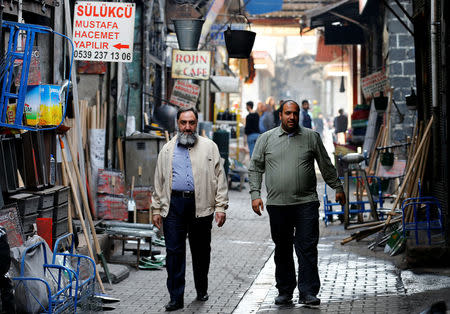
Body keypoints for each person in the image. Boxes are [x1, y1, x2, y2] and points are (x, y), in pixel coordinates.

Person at [248, 100, 345, 307]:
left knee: (307, 248)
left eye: (295, 113)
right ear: (280, 115)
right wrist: (255, 194)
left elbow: (326, 165)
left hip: (306, 203)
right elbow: (255, 168)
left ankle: (308, 292)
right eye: (287, 113)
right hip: (277, 205)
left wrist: (337, 187)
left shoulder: (311, 137)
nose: (291, 117)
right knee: (282, 249)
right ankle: (285, 291)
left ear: (299, 115)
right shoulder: (266, 139)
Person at [151, 107, 228, 311]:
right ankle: (176, 297)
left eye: (191, 123)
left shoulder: (210, 147)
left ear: (197, 124)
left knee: (201, 251)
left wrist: (221, 206)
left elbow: (220, 178)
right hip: (174, 206)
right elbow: (158, 181)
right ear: (178, 123)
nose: (187, 127)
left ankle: (201, 288)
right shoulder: (167, 150)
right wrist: (156, 209)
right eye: (183, 123)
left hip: (201, 206)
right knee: (174, 252)